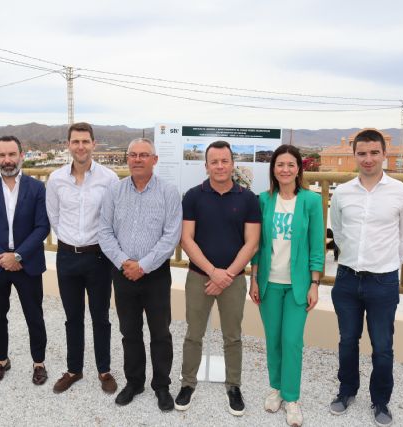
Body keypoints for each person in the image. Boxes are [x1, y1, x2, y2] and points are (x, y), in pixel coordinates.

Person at [329, 129, 403, 426]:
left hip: (383, 281)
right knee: (347, 340)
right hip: (347, 279)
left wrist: (387, 264)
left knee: (382, 346)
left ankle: (380, 400)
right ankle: (346, 390)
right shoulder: (342, 193)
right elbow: (338, 231)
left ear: (384, 154)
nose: (368, 159)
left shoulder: (402, 193)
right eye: (362, 153)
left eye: (374, 153)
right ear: (354, 155)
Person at [174, 140, 260, 417]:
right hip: (199, 277)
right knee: (193, 334)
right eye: (214, 162)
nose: (220, 166)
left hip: (234, 279)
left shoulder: (248, 199)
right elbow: (186, 239)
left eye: (225, 161)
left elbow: (252, 243)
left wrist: (228, 275)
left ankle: (233, 386)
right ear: (206, 165)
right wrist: (213, 272)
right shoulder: (193, 196)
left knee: (233, 336)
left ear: (233, 164)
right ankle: (188, 383)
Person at [99, 138, 182, 411]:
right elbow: (104, 231)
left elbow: (171, 236)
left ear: (154, 160)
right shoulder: (114, 191)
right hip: (123, 273)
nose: (137, 159)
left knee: (161, 332)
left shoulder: (169, 192)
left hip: (156, 274)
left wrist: (143, 265)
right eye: (133, 155)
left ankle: (162, 386)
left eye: (144, 155)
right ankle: (134, 382)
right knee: (129, 331)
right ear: (127, 159)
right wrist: (125, 262)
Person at [249, 144, 324, 426]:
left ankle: (292, 398)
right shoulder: (263, 200)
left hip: (298, 285)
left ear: (298, 168)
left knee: (292, 341)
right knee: (274, 339)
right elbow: (257, 245)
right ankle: (277, 388)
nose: (285, 169)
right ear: (273, 169)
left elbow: (316, 245)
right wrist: (254, 279)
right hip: (269, 284)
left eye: (291, 164)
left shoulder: (311, 201)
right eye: (280, 164)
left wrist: (314, 283)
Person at [46, 122, 119, 394]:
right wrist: (70, 241)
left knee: (101, 316)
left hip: (98, 257)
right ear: (68, 145)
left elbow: (113, 218)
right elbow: (54, 216)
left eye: (85, 141)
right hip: (67, 257)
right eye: (75, 141)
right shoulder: (56, 179)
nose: (80, 146)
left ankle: (104, 370)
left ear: (93, 144)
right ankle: (74, 369)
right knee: (72, 317)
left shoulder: (109, 178)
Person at [0, 136, 50, 385]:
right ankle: (1, 360)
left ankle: (39, 362)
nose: (7, 160)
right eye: (2, 155)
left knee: (34, 315)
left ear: (21, 156)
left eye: (12, 154)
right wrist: (3, 257)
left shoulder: (37, 188)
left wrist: (17, 256)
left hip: (28, 262)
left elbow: (42, 227)